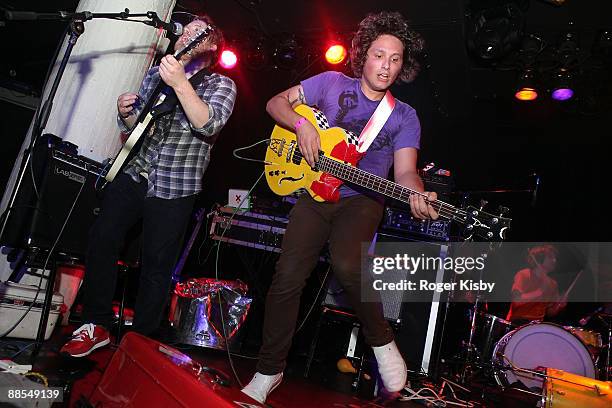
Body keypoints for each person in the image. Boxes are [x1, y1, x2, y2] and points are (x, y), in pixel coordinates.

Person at [242, 11, 438, 404]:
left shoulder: (403, 117)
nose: (385, 65)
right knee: (287, 278)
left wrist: (418, 193)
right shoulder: (329, 83)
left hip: (362, 201)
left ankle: (382, 344)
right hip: (314, 196)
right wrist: (301, 126)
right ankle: (269, 370)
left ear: (403, 66)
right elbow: (275, 103)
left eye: (395, 59)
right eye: (379, 55)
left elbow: (405, 172)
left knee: (348, 264)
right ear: (363, 55)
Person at [60, 15, 237, 357]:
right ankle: (95, 324)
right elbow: (137, 127)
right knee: (102, 235)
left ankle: (140, 341)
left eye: (195, 31)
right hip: (137, 170)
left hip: (176, 183)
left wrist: (181, 83)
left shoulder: (220, 84)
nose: (185, 32)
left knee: (156, 264)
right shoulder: (157, 75)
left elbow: (208, 123)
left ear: (213, 46)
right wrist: (126, 113)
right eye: (185, 28)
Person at [506, 244, 567, 325]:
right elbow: (516, 301)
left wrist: (559, 306)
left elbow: (549, 312)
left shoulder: (553, 284)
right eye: (550, 257)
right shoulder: (524, 274)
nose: (554, 260)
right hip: (518, 323)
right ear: (540, 258)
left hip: (537, 326)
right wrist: (539, 292)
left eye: (555, 258)